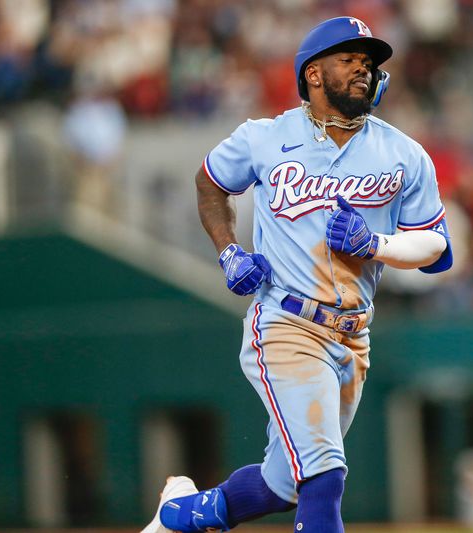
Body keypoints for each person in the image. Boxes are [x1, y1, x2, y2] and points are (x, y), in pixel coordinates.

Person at [142, 15, 452, 533]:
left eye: (369, 62)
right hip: (287, 322)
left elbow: (437, 246)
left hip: (353, 336)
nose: (364, 69)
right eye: (350, 59)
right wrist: (229, 252)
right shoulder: (264, 137)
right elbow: (210, 183)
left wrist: (376, 243)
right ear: (313, 73)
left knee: (284, 482)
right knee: (325, 472)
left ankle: (181, 514)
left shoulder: (403, 152)